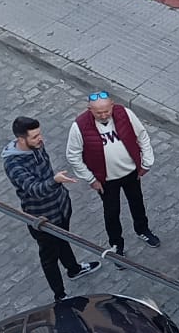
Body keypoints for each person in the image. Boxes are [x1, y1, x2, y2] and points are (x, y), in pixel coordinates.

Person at [3, 116, 100, 302]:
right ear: (21, 140)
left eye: (40, 134)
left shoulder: (37, 146)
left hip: (61, 206)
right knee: (49, 256)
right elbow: (33, 189)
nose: (40, 138)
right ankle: (60, 296)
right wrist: (55, 181)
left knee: (64, 240)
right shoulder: (14, 165)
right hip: (42, 217)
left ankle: (74, 269)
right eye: (35, 136)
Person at [64, 91, 158, 255]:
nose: (103, 115)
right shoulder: (79, 126)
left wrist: (146, 162)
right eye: (98, 112)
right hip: (106, 180)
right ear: (89, 110)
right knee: (112, 212)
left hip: (131, 173)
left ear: (112, 105)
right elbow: (73, 155)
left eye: (106, 111)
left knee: (137, 203)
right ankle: (116, 245)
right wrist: (91, 179)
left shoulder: (125, 114)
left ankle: (143, 230)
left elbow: (142, 135)